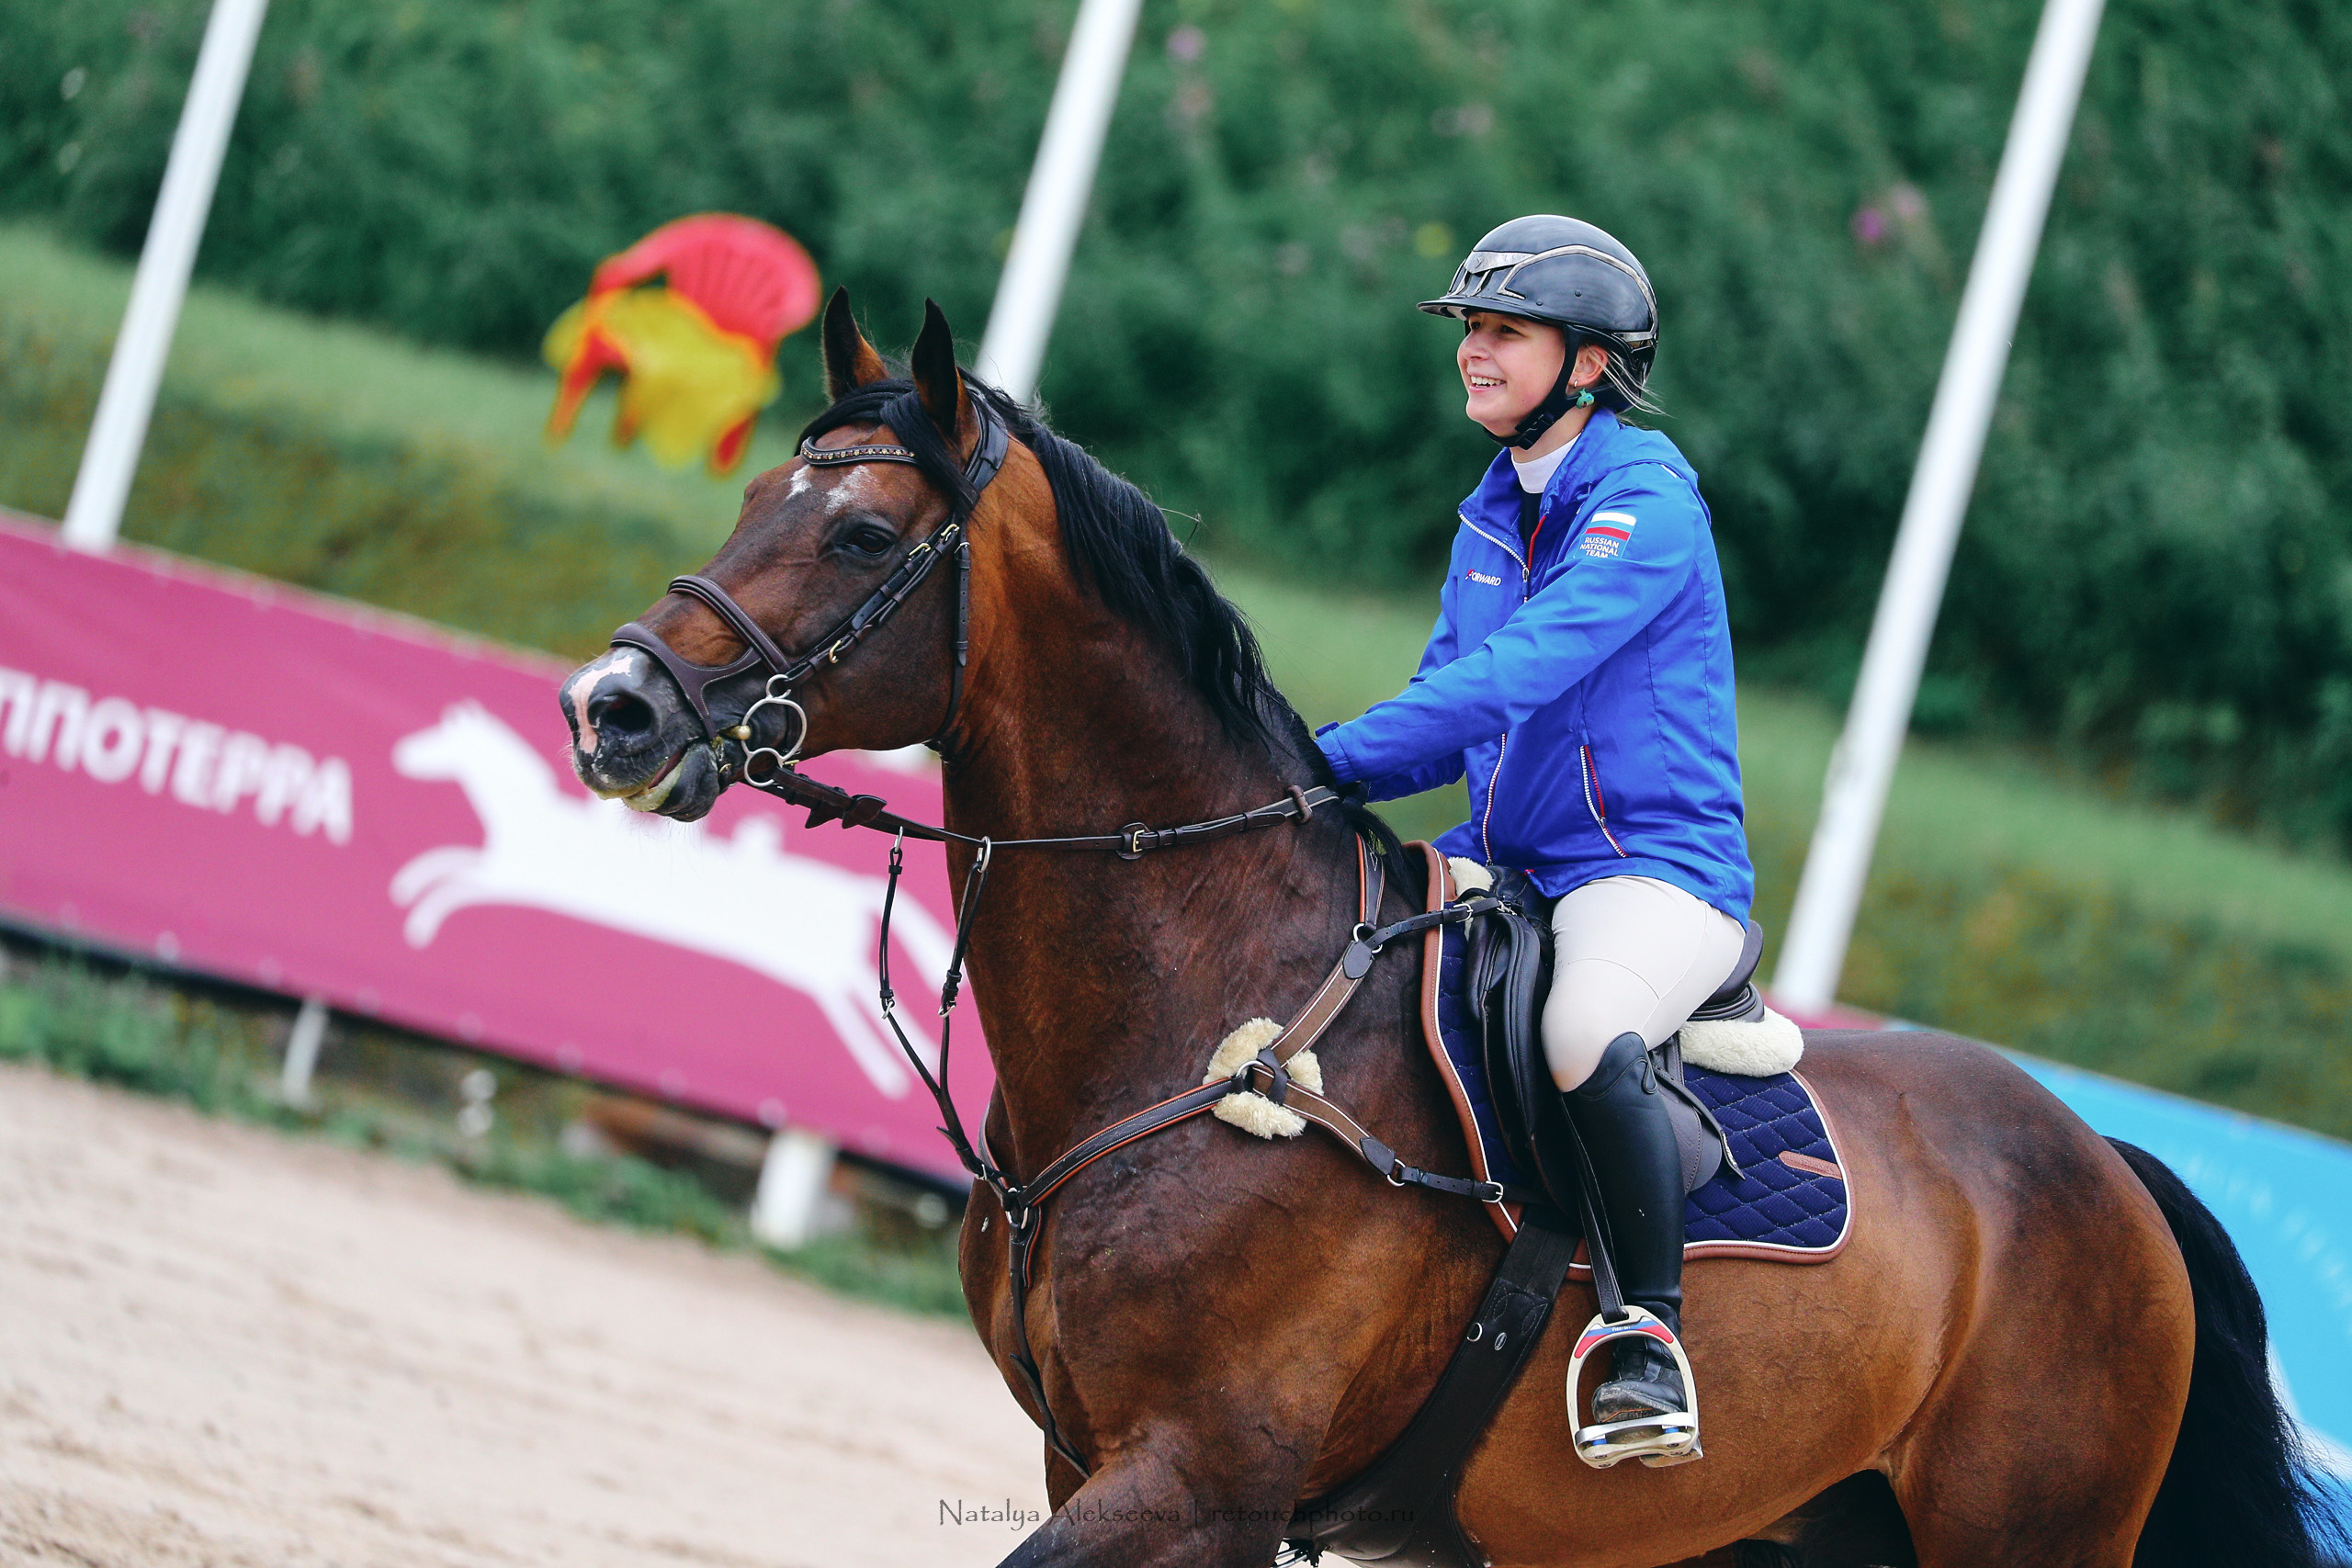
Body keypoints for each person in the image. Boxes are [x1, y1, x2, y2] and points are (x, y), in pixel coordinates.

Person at [1314, 214, 1753, 1430]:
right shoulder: (1491, 510)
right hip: (1506, 862)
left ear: (1591, 363)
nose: (1474, 352)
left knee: (1582, 1025)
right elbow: (1447, 711)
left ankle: (1645, 1335)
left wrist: (1322, 757)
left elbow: (1514, 676)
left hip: (1653, 874)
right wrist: (1299, 793)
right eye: (1469, 330)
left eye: (1504, 332)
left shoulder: (1646, 499)